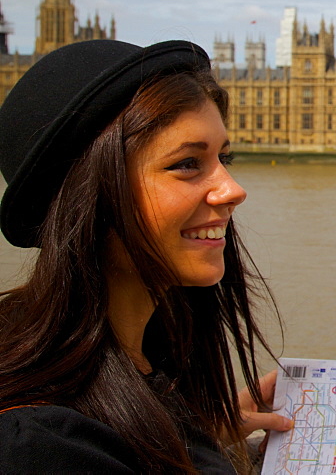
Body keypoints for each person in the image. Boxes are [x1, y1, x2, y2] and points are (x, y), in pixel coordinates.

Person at [0, 40, 292, 473]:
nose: (234, 189)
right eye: (187, 163)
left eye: (224, 158)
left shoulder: (147, 365)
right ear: (90, 194)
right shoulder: (41, 444)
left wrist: (202, 444)